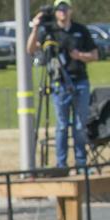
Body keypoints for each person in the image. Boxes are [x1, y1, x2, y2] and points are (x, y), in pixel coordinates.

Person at [28, 0, 99, 168]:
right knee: (61, 126)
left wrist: (79, 55)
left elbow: (95, 55)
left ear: (70, 10)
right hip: (58, 83)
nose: (62, 12)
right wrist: (35, 27)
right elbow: (31, 50)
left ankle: (81, 163)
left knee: (80, 124)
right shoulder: (50, 31)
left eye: (65, 9)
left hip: (79, 81)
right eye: (59, 9)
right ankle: (62, 164)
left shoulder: (80, 30)